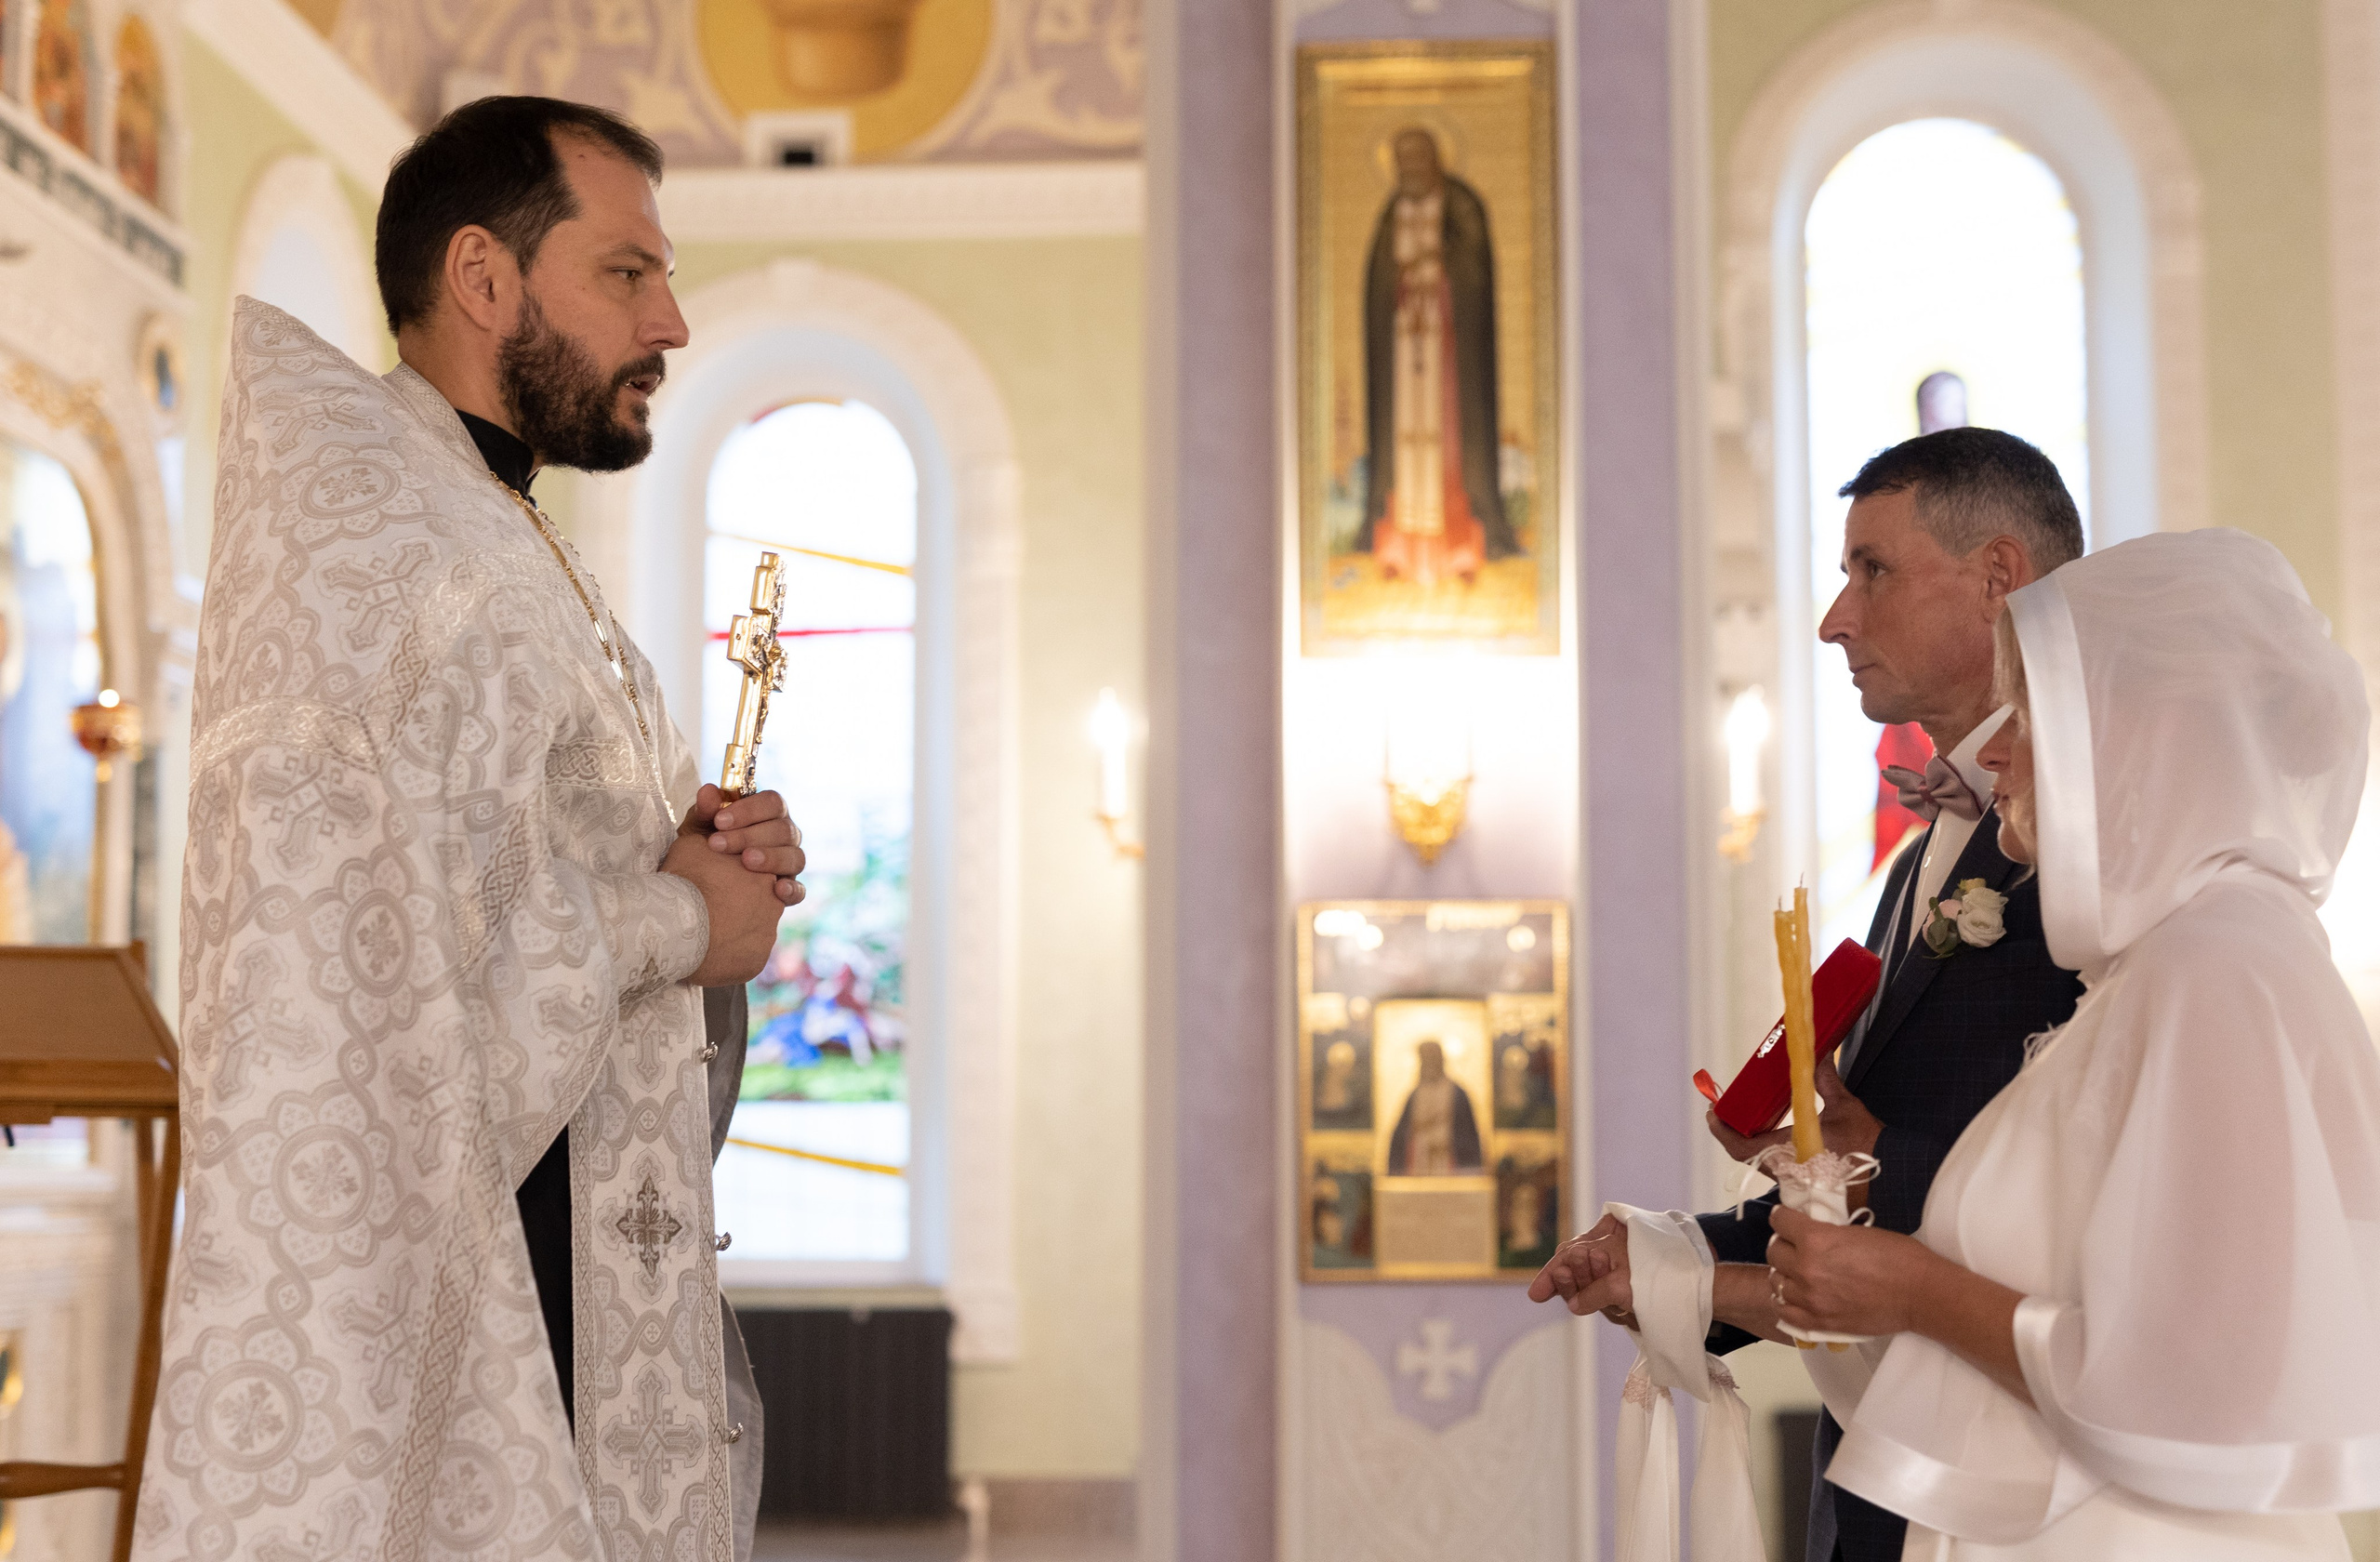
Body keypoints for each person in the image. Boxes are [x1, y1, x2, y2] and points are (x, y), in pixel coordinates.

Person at [139, 98, 797, 1562]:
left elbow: (493, 886)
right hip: (478, 1306)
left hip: (558, 1250)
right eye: (627, 273)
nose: (673, 320)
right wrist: (681, 914)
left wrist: (692, 853)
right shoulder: (400, 560)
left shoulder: (486, 530)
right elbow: (375, 1021)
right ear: (484, 278)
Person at [1529, 428, 2088, 1562]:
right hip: (1876, 1479)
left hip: (2021, 1492)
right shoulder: (1914, 865)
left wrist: (1873, 1147)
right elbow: (1860, 1188)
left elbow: (2094, 1203)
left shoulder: (2100, 848)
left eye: (1869, 570)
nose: (1835, 617)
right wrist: (1675, 1257)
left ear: (1999, 579)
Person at [1768, 527, 2380, 1556]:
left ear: (2135, 735)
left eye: (2031, 716)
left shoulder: (2215, 965)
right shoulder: (2155, 967)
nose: (1994, 751)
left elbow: (2195, 1370)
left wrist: (1911, 1291)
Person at [1354, 126, 1520, 580]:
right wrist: (1403, 279)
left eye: (1417, 160)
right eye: (1402, 161)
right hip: (1405, 348)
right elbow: (1379, 283)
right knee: (1401, 443)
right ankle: (1398, 551)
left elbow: (1475, 272)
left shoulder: (1462, 205)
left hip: (1448, 353)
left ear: (1436, 160)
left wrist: (1441, 270)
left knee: (1450, 441)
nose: (1409, 170)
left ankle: (1461, 549)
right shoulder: (1392, 214)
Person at [1387, 1038, 1484, 1173]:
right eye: (1425, 1059)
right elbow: (1401, 1135)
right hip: (1418, 1159)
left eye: (1433, 1058)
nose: (1429, 1063)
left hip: (1449, 1160)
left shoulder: (1457, 1094)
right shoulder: (1415, 1094)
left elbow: (1467, 1135)